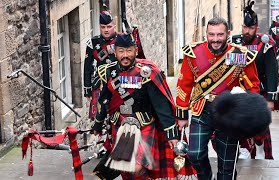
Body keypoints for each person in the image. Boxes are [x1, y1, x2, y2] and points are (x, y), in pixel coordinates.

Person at [91, 34, 196, 179]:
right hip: (119, 125)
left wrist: (172, 135)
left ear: (135, 50)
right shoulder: (108, 72)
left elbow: (161, 106)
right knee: (126, 170)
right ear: (115, 52)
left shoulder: (147, 72)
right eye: (121, 51)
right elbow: (103, 100)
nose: (125, 55)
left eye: (129, 51)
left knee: (137, 166)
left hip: (143, 125)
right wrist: (97, 124)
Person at [176, 16, 260, 180]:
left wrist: (245, 101)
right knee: (195, 155)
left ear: (228, 33)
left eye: (220, 35)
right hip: (202, 111)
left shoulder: (241, 55)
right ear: (206, 33)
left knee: (227, 166)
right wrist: (181, 115)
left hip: (228, 114)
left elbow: (254, 86)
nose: (215, 39)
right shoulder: (193, 53)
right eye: (211, 35)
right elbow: (184, 84)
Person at [228, 1, 278, 159]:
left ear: (256, 28)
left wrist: (271, 98)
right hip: (238, 92)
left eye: (250, 28)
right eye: (244, 27)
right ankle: (242, 149)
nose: (246, 31)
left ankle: (260, 145)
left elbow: (272, 72)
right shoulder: (233, 42)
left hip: (259, 91)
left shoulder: (264, 44)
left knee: (258, 125)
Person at [83, 11, 118, 120]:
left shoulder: (122, 40)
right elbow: (87, 67)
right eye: (103, 27)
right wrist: (87, 90)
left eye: (109, 26)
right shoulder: (93, 43)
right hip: (101, 82)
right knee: (99, 115)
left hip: (119, 79)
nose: (106, 30)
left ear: (114, 26)